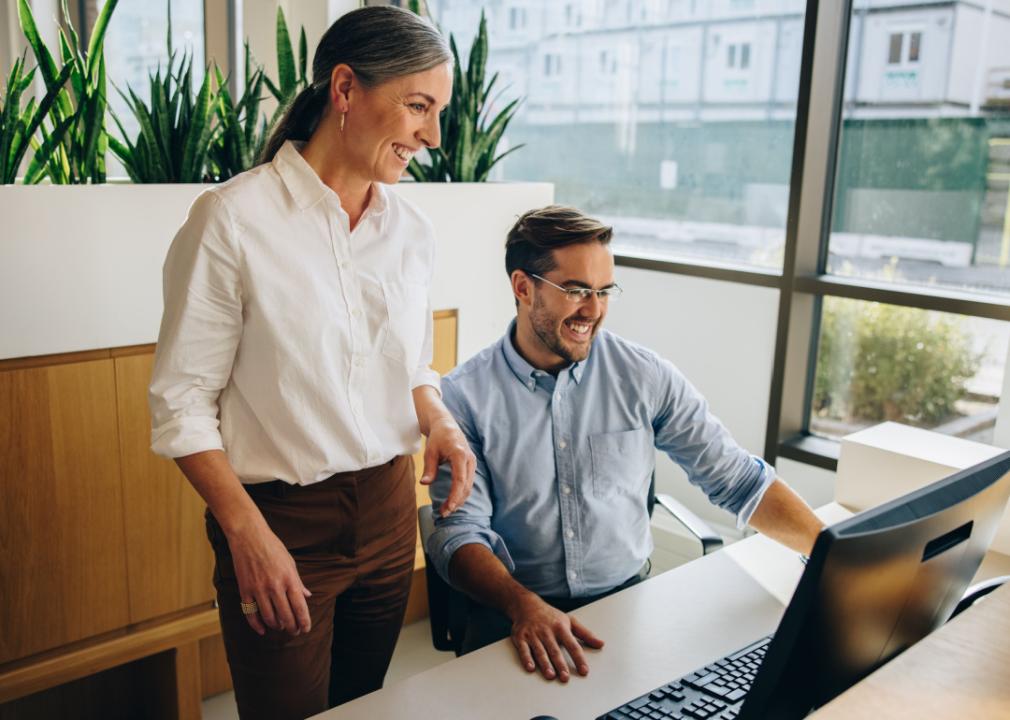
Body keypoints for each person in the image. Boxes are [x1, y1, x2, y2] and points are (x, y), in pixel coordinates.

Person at [148, 7, 475, 719]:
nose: (433, 135)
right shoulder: (231, 221)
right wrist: (247, 534)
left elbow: (412, 366)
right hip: (281, 521)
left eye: (438, 111)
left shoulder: (411, 231)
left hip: (390, 512)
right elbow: (180, 406)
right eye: (419, 106)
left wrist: (440, 419)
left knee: (361, 706)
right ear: (346, 88)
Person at [426, 205, 824, 683]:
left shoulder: (643, 376)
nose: (593, 310)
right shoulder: (464, 396)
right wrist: (522, 605)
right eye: (575, 291)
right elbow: (460, 534)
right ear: (523, 287)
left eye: (603, 291)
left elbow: (736, 479)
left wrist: (831, 554)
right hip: (511, 616)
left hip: (627, 609)